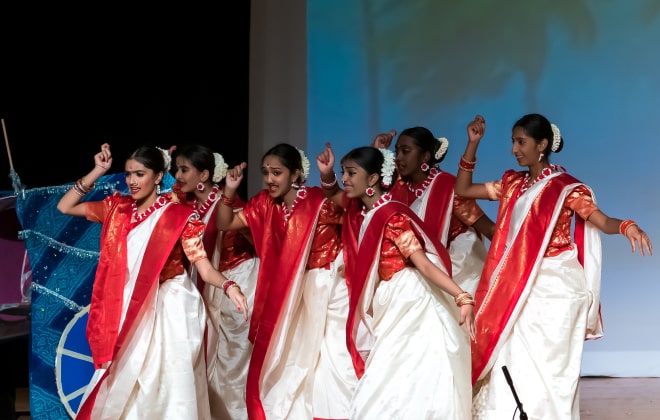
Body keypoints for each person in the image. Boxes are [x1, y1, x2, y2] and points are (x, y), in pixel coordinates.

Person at [454, 114, 653, 419]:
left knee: (550, 367)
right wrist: (472, 144)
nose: (514, 150)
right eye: (513, 142)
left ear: (542, 144)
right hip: (516, 288)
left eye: (521, 142)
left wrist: (627, 226)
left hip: (555, 289)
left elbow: (600, 220)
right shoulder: (512, 184)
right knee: (512, 356)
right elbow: (464, 190)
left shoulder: (566, 188)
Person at [56, 143, 248, 420]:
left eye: (140, 174)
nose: (132, 181)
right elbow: (65, 206)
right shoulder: (116, 209)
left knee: (169, 382)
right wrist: (97, 171)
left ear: (158, 177)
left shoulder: (179, 216)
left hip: (171, 307)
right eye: (128, 174)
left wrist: (231, 287)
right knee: (128, 375)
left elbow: (204, 268)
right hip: (130, 306)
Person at [316, 143, 476, 419]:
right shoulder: (364, 211)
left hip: (411, 300)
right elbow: (334, 196)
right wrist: (327, 174)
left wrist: (461, 296)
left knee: (399, 375)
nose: (345, 179)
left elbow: (423, 264)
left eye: (352, 173)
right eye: (344, 172)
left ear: (374, 178)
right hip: (389, 299)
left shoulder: (391, 216)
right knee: (392, 374)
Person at [217, 143, 357, 420]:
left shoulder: (319, 201)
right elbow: (225, 224)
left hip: (327, 291)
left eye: (277, 172)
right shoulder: (263, 205)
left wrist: (328, 177)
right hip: (289, 295)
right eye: (266, 172)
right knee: (289, 359)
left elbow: (352, 213)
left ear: (295, 175)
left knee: (329, 359)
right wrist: (230, 191)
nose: (269, 179)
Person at [172, 144, 259, 420]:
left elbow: (256, 241)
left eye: (184, 169)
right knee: (208, 359)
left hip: (237, 283)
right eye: (177, 168)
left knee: (233, 361)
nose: (177, 175)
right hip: (210, 287)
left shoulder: (225, 202)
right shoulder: (191, 205)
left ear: (205, 174)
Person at [373, 126, 494, 296]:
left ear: (425, 156)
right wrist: (377, 151)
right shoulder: (398, 186)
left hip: (460, 270)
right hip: (420, 270)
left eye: (406, 151)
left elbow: (488, 228)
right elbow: (365, 191)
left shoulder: (447, 187)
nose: (398, 158)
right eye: (397, 151)